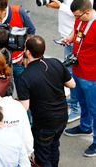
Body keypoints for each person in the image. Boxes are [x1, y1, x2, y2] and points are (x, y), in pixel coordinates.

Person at [16, 35, 76, 166]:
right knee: (54, 146)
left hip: (44, 123)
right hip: (62, 117)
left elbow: (24, 107)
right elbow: (72, 84)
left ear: (27, 52)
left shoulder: (24, 77)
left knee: (43, 155)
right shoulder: (55, 63)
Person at [63, 0, 96, 157]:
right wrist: (70, 39)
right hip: (78, 70)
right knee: (83, 103)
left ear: (87, 12)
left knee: (94, 109)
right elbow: (76, 33)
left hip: (92, 76)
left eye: (78, 16)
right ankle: (85, 126)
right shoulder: (80, 18)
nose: (76, 18)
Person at [0, 0, 36, 79]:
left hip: (17, 62)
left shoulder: (19, 12)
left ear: (4, 10)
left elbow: (31, 32)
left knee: (22, 85)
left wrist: (26, 55)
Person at [46, 0, 81, 123]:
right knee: (70, 73)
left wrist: (61, 6)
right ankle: (74, 102)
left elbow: (84, 11)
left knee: (73, 75)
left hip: (76, 39)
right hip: (68, 37)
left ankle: (76, 108)